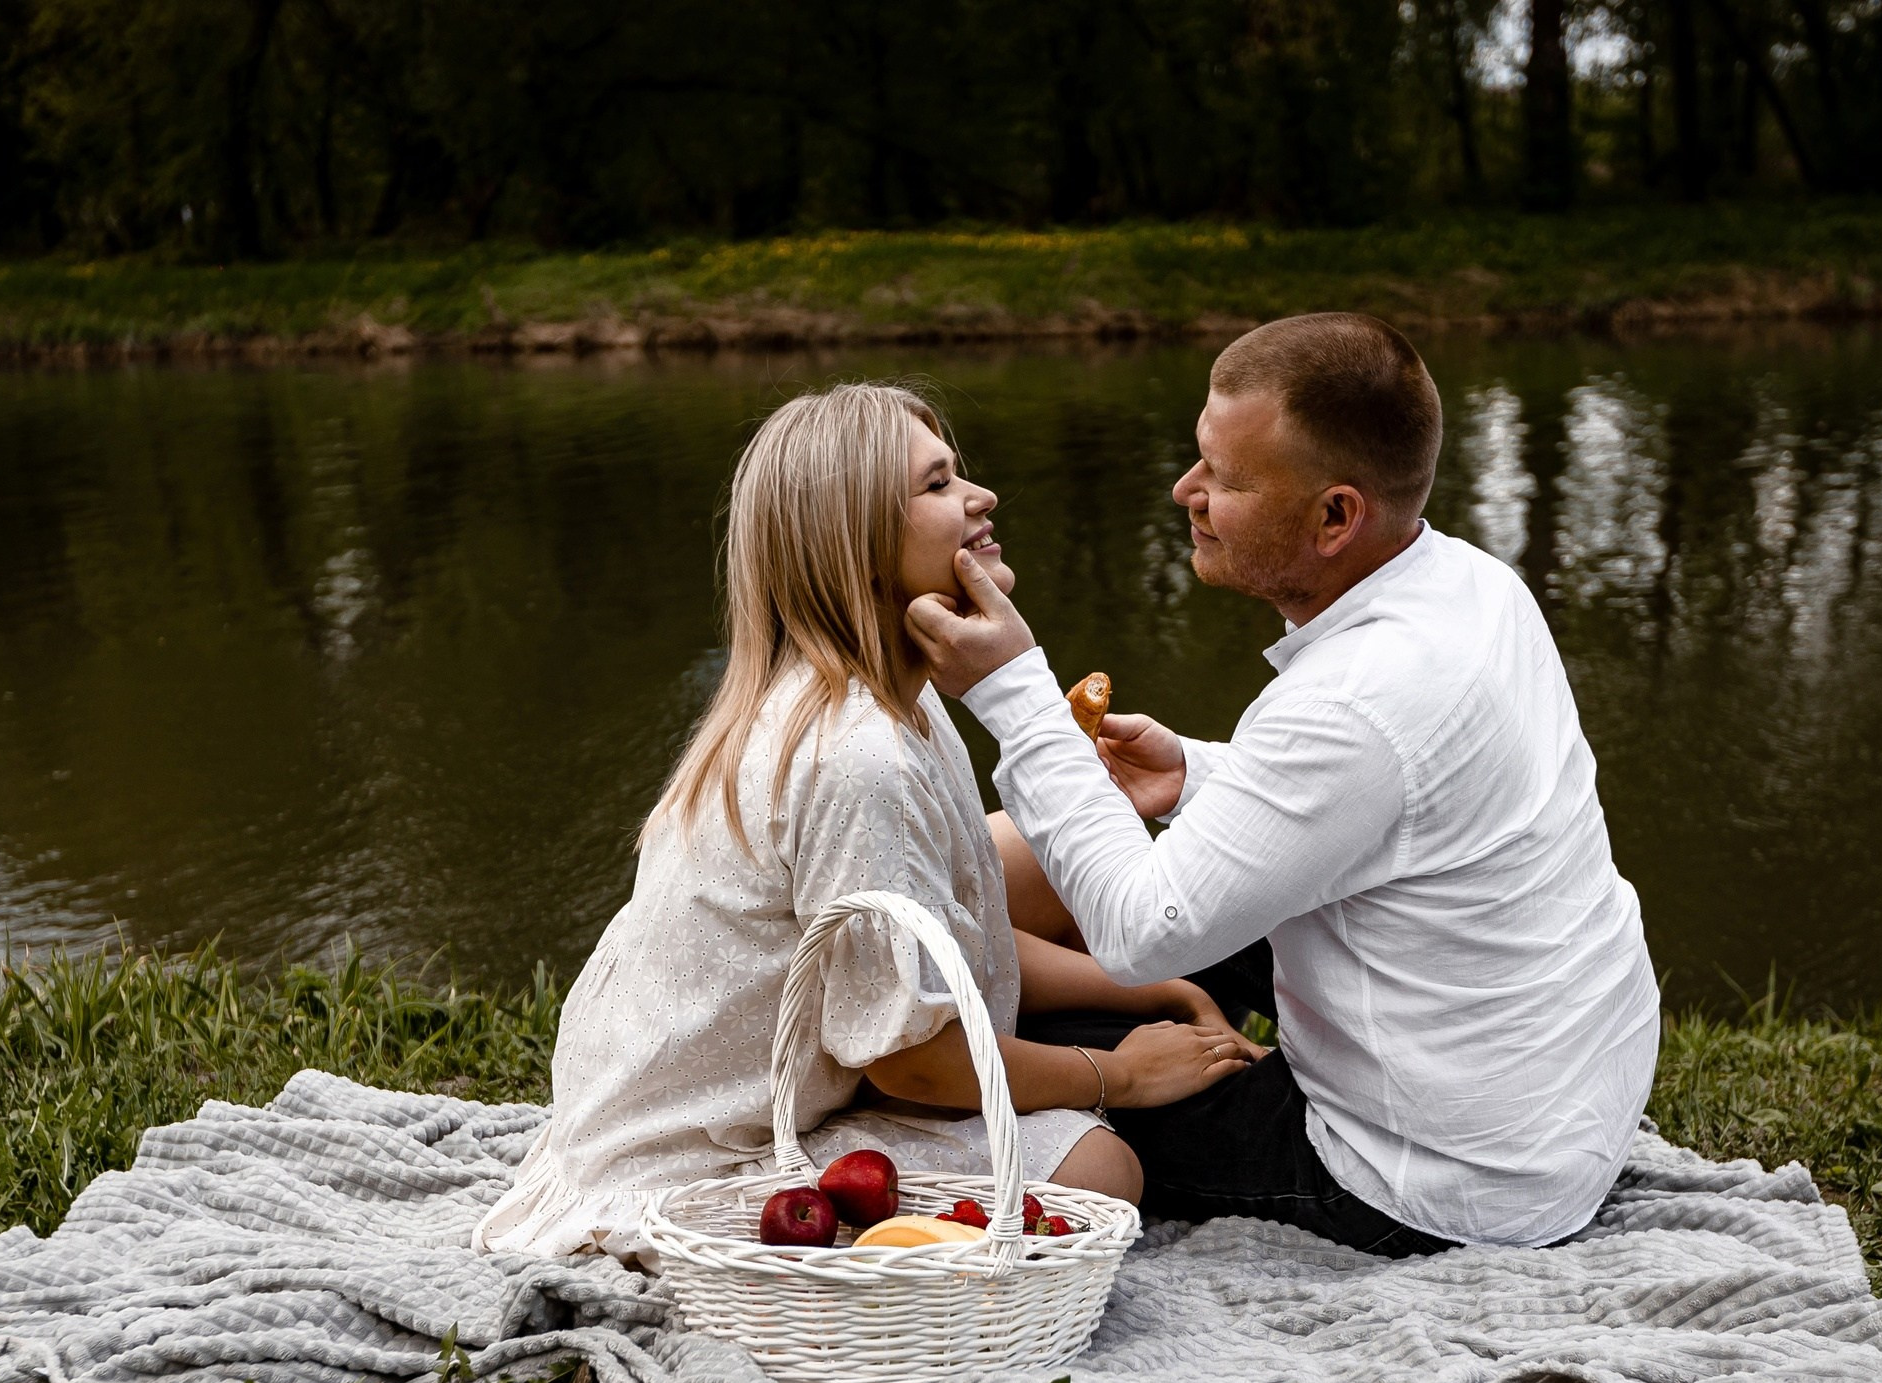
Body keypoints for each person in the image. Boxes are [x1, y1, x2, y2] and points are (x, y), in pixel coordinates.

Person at [907, 313, 1660, 1255]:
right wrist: (1198, 772)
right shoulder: (1471, 582)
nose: (1185, 491)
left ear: (1336, 516)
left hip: (1444, 1175)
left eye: (1223, 480)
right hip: (1548, 1082)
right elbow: (1392, 797)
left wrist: (1014, 695)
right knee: (1039, 972)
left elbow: (1142, 932)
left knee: (1042, 1060)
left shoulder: (1356, 697)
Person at [475, 381, 1263, 1262]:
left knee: (1037, 859)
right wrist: (1119, 1071)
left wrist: (1157, 990)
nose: (981, 497)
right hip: (696, 1155)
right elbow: (912, 1062)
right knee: (1102, 1167)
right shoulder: (858, 760)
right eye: (936, 487)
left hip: (718, 1080)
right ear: (857, 547)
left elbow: (959, 937)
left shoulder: (898, 705)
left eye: (957, 474)